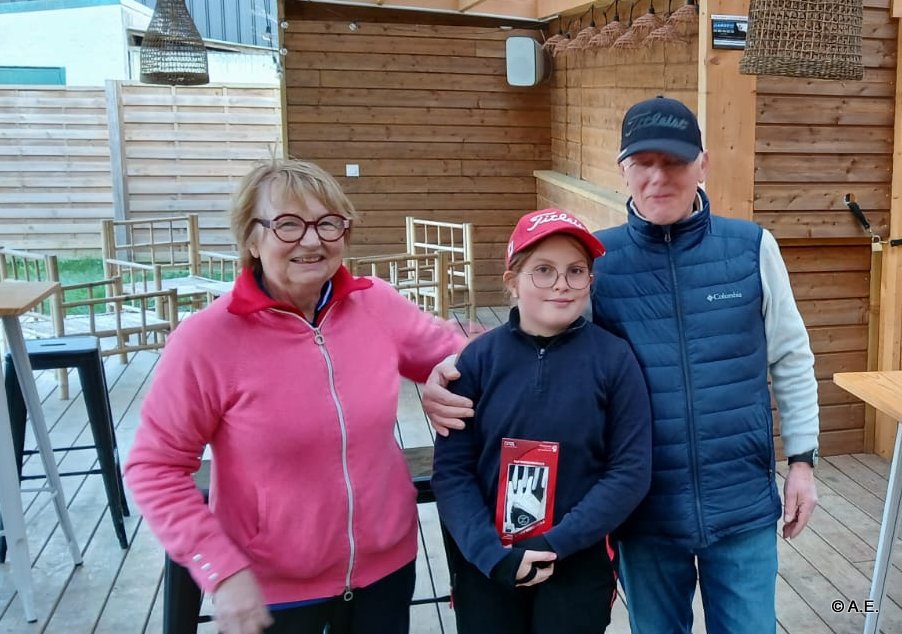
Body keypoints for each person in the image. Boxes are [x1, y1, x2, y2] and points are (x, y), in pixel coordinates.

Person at [423, 97, 820, 634]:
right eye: (643, 163)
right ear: (623, 171)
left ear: (702, 165)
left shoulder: (751, 248)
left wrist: (802, 462)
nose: (658, 177)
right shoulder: (599, 263)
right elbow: (538, 334)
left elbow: (791, 357)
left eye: (674, 161)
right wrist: (453, 367)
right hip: (645, 516)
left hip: (741, 505)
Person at [124, 159, 465, 634]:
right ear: (251, 239)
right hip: (272, 591)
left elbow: (468, 361)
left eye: (328, 223)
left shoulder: (376, 303)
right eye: (287, 224)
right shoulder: (207, 340)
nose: (311, 240)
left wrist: (445, 376)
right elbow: (154, 467)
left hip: (386, 571)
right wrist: (220, 568)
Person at [431, 210, 652, 633]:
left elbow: (630, 471)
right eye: (544, 270)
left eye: (576, 271)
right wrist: (490, 553)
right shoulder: (477, 361)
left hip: (577, 560)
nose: (561, 284)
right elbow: (453, 471)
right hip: (489, 563)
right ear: (513, 280)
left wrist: (554, 543)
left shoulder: (614, 359)